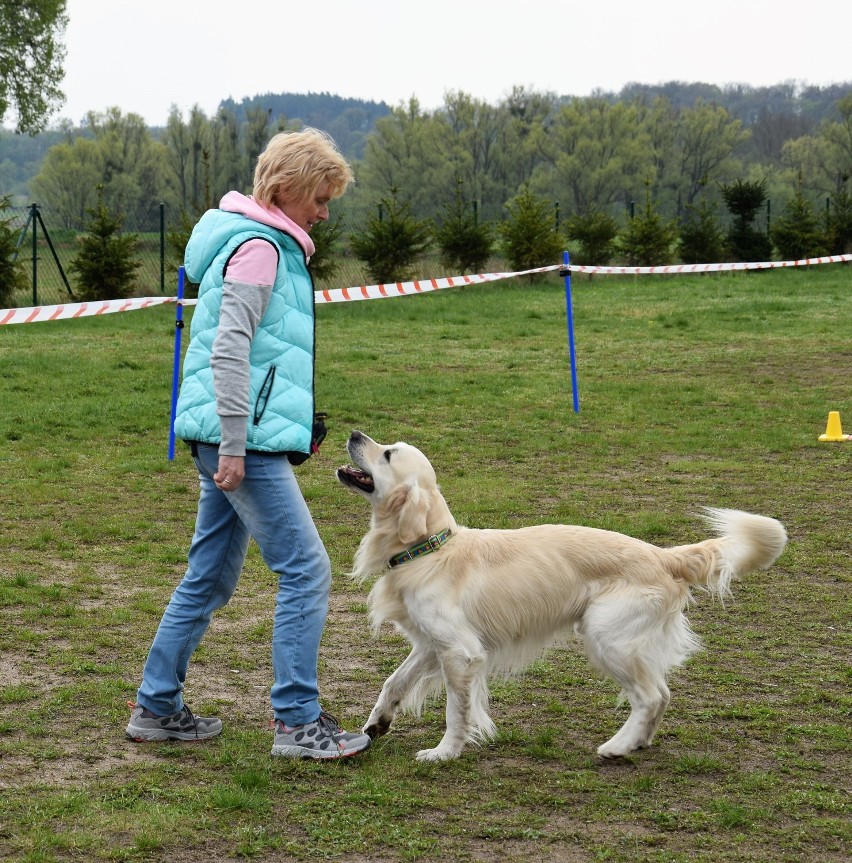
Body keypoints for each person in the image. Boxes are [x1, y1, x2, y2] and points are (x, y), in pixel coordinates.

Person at [125, 127, 371, 760]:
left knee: (208, 576)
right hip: (239, 444)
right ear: (285, 188)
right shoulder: (261, 248)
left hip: (238, 437)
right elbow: (229, 350)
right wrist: (237, 443)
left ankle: (156, 706)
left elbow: (260, 354)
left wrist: (284, 427)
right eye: (320, 197)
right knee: (308, 571)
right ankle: (296, 721)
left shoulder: (259, 243)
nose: (324, 211)